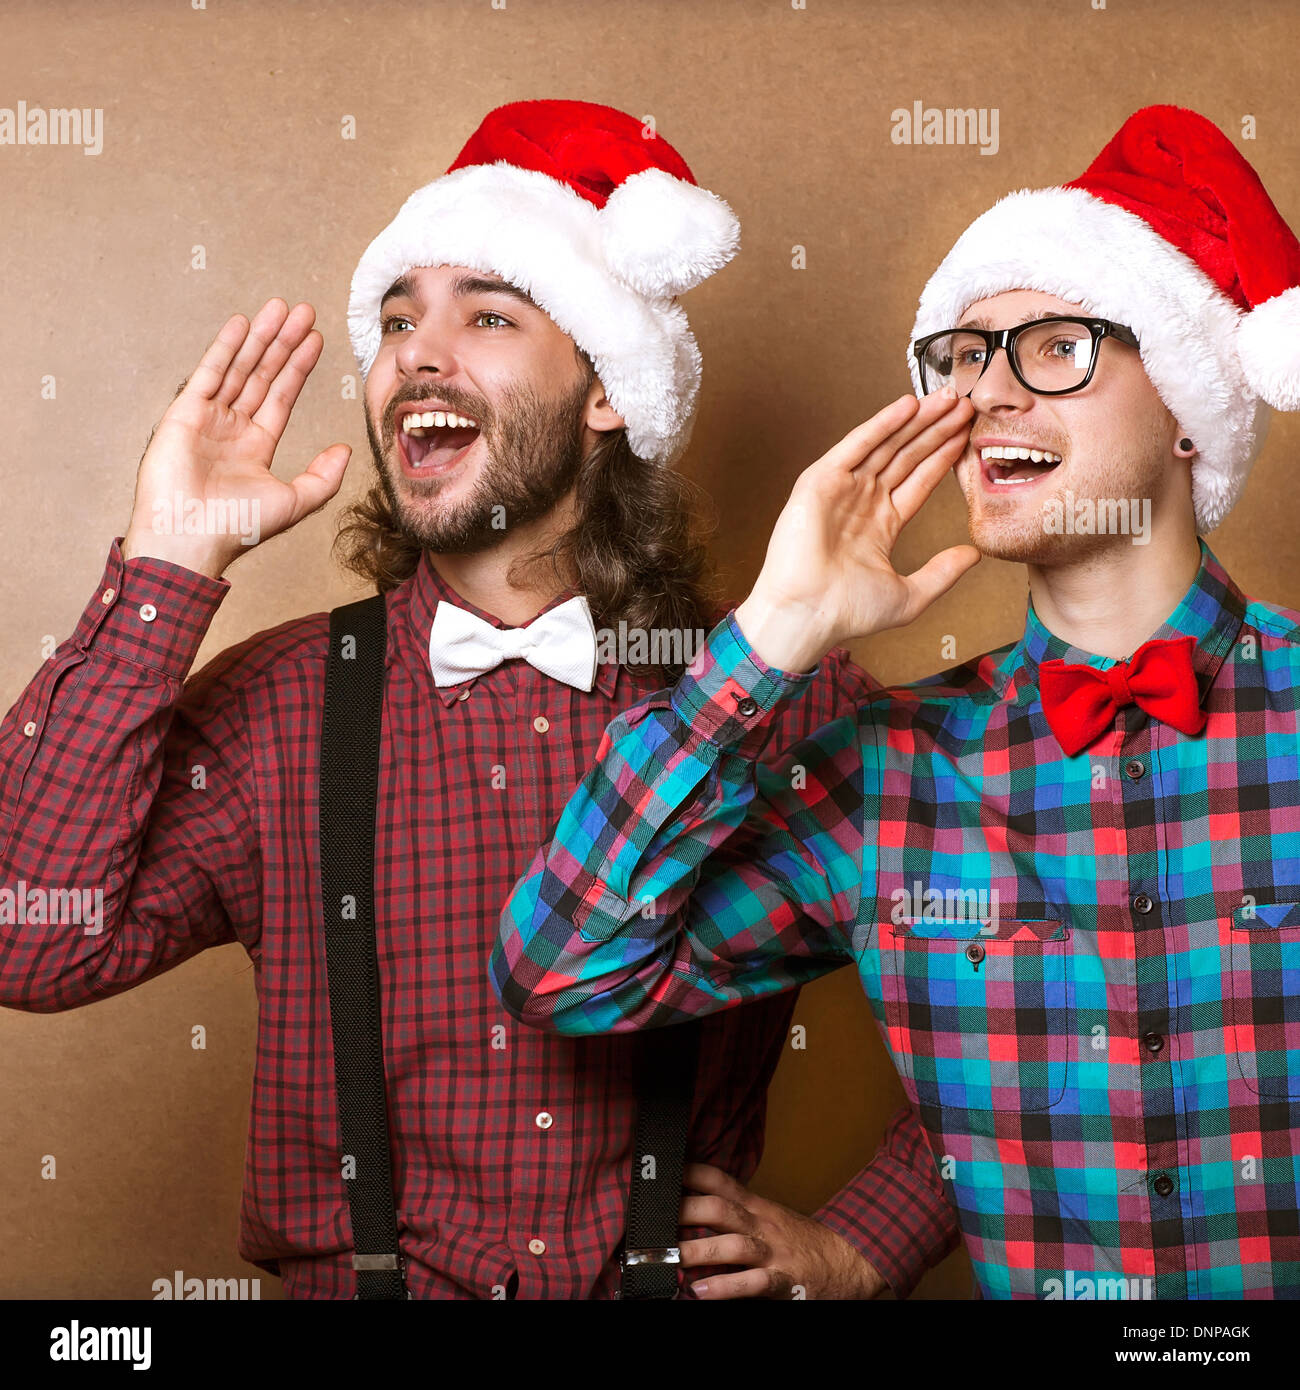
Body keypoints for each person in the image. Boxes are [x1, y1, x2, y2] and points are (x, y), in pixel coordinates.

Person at [0, 99, 955, 1299]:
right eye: (397, 319)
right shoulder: (285, 705)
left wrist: (866, 1241)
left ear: (608, 390)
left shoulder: (783, 696)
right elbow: (26, 941)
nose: (415, 351)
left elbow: (1042, 979)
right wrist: (166, 566)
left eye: (487, 313)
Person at [494, 104, 1300, 1299]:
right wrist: (770, 637)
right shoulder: (891, 768)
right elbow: (562, 968)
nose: (988, 395)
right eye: (965, 358)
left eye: (1054, 348)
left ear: (1185, 406)